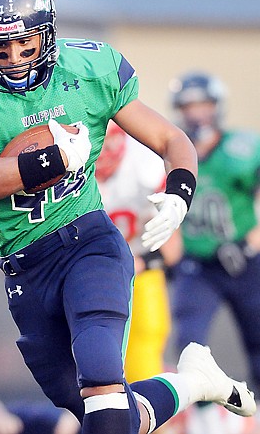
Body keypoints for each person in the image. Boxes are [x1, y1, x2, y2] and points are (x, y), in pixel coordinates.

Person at [0, 0, 257, 434]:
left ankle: (188, 382)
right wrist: (55, 158)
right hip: (25, 266)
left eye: (26, 43)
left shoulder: (88, 68)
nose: (16, 57)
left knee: (101, 379)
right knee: (103, 415)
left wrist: (180, 191)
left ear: (47, 33)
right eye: (1, 47)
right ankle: (193, 382)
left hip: (88, 244)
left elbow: (172, 140)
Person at [167, 71, 260, 434]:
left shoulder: (243, 150)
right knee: (190, 347)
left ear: (217, 108)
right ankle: (207, 425)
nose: (196, 114)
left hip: (244, 265)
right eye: (189, 106)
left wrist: (245, 246)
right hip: (198, 266)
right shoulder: (173, 153)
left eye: (203, 105)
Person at [94, 121, 182, 384]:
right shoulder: (72, 175)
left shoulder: (145, 168)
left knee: (143, 363)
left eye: (108, 142)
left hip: (140, 270)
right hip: (92, 274)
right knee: (93, 364)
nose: (103, 151)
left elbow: (173, 249)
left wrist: (140, 262)